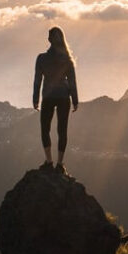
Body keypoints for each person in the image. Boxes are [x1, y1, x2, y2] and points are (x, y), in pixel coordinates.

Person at [32, 26, 79, 172]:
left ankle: (48, 161)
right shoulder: (67, 60)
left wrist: (35, 99)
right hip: (64, 97)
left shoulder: (41, 58)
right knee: (62, 130)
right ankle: (60, 164)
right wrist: (75, 100)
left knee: (45, 129)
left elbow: (37, 81)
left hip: (48, 97)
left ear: (49, 40)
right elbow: (72, 81)